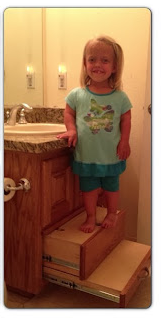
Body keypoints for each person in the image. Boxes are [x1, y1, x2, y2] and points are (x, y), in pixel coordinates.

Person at [57, 35, 132, 233]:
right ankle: (90, 216)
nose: (97, 65)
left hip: (111, 155)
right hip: (87, 155)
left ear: (114, 66)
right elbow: (68, 113)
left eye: (105, 60)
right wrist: (71, 129)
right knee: (88, 189)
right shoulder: (77, 95)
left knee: (111, 186)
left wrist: (125, 141)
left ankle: (111, 213)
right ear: (85, 63)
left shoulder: (120, 97)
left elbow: (126, 119)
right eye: (92, 59)